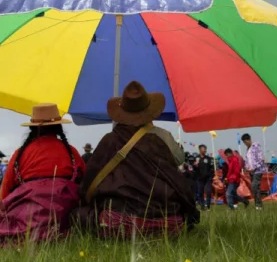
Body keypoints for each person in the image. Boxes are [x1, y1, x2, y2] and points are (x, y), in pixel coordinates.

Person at [77, 81, 198, 238]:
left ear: (122, 112)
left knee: (78, 215)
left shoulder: (110, 140)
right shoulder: (163, 136)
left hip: (118, 222)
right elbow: (179, 159)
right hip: (169, 223)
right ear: (149, 111)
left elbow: (89, 181)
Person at [0, 103, 85, 243]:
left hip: (30, 215)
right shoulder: (71, 152)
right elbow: (85, 183)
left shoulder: (21, 153)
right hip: (65, 216)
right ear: (58, 126)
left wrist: (6, 211)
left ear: (32, 127)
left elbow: (4, 193)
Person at [242, 133, 265, 210]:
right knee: (255, 188)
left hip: (258, 170)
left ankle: (259, 205)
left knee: (254, 186)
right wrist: (246, 167)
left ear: (249, 139)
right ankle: (258, 205)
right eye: (244, 143)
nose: (245, 144)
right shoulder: (248, 149)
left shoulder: (256, 147)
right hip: (251, 171)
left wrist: (254, 168)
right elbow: (247, 161)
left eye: (246, 142)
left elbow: (261, 159)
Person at [195, 144, 214, 210]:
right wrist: (195, 165)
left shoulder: (208, 158)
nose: (205, 150)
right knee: (200, 192)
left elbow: (212, 168)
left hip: (208, 179)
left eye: (205, 149)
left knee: (208, 192)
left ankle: (208, 205)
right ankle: (202, 206)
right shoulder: (196, 158)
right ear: (200, 149)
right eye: (204, 149)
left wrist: (211, 176)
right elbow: (193, 169)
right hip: (199, 178)